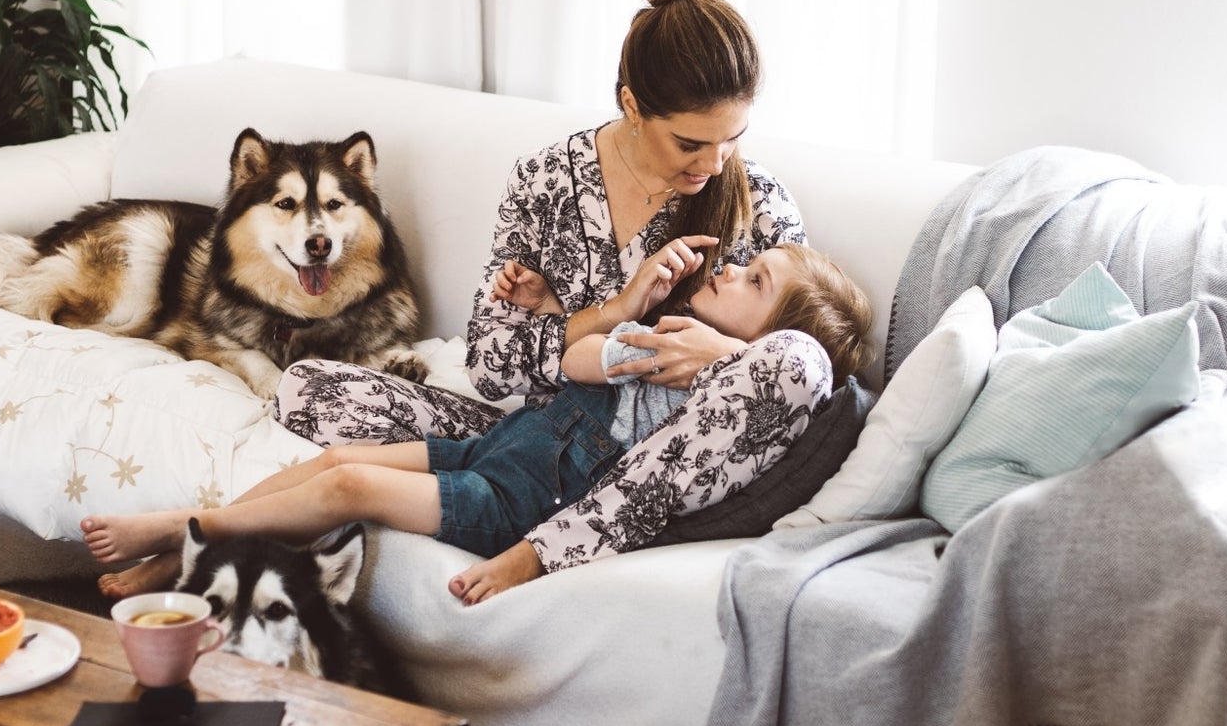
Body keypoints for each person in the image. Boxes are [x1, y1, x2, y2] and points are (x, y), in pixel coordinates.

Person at [266, 0, 827, 579]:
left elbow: (796, 375)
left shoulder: (763, 207)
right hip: (531, 432)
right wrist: (607, 315)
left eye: (734, 139)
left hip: (645, 459)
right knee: (309, 390)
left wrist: (720, 358)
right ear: (632, 104)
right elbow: (490, 365)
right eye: (691, 143)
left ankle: (560, 523)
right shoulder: (546, 181)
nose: (715, 164)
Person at [83, 243, 872, 601]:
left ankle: (177, 531)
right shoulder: (666, 331)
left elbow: (784, 380)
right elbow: (573, 364)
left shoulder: (773, 372)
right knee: (335, 458)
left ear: (766, 336)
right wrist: (608, 315)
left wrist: (526, 559)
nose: (732, 267)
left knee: (352, 481)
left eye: (755, 277)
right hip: (511, 434)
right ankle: (191, 546)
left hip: (532, 492)